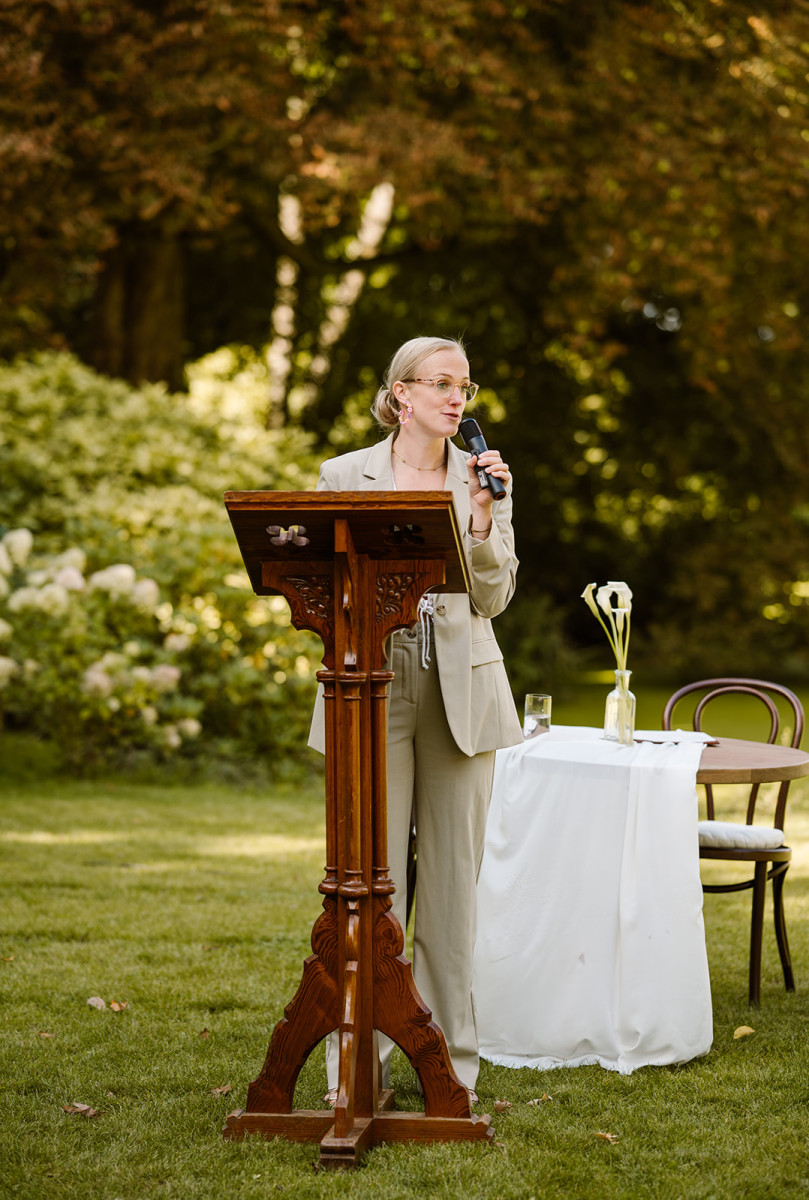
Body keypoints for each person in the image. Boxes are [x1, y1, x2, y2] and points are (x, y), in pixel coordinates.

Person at [309, 335, 522, 1103]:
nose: (456, 397)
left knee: (451, 891)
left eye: (465, 385)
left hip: (461, 685)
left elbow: (494, 598)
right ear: (401, 394)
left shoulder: (483, 479)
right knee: (368, 884)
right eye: (441, 383)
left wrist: (478, 518)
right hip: (371, 676)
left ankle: (447, 1064)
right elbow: (322, 579)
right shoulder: (343, 475)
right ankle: (355, 1068)